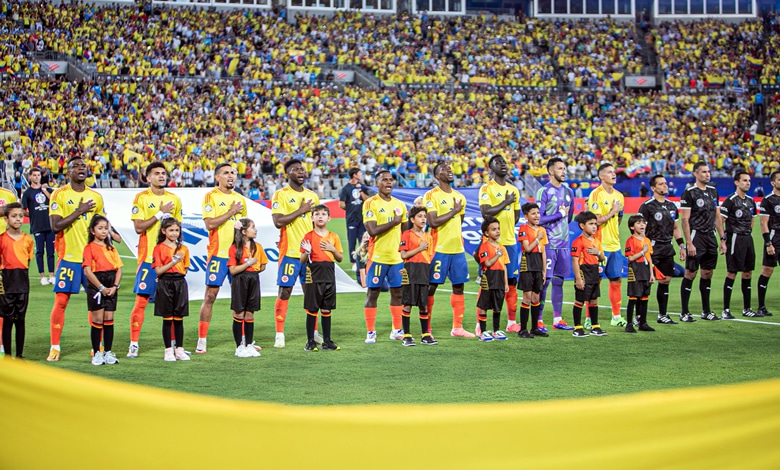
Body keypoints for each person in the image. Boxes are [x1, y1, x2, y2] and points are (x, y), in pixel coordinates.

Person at [46, 156, 106, 362]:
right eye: (76, 166)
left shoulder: (96, 197)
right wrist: (79, 211)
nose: (81, 169)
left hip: (93, 260)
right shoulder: (59, 194)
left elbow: (102, 226)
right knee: (61, 302)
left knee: (95, 304)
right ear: (68, 172)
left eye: (84, 166)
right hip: (69, 258)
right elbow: (55, 226)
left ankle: (97, 345)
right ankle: (55, 347)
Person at [127, 162, 182, 358]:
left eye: (163, 173)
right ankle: (134, 344)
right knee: (141, 302)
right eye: (156, 173)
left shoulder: (174, 199)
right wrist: (159, 212)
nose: (161, 176)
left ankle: (175, 346)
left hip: (171, 261)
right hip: (149, 259)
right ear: (147, 177)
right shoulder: (141, 198)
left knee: (174, 306)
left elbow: (178, 230)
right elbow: (139, 227)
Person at [195, 163, 246, 354]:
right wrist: (231, 212)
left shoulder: (240, 199)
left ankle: (243, 341)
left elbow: (243, 228)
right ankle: (202, 340)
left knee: (240, 299)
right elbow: (210, 224)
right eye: (226, 173)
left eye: (233, 172)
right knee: (210, 296)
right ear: (217, 177)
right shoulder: (211, 197)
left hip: (237, 256)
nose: (231, 176)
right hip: (218, 255)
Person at [271, 159, 320, 349]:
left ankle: (314, 332)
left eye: (302, 169)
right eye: (296, 169)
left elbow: (317, 223)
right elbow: (278, 221)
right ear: (288, 174)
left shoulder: (312, 196)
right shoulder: (281, 195)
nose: (301, 172)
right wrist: (301, 210)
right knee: (285, 291)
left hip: (310, 254)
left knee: (311, 293)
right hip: (290, 252)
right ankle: (279, 334)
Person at [423, 162, 474, 338]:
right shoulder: (431, 196)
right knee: (431, 287)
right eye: (444, 169)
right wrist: (454, 211)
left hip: (457, 249)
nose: (449, 170)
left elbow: (459, 222)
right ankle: (426, 327)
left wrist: (456, 212)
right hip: (438, 248)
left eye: (450, 168)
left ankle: (457, 328)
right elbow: (433, 222)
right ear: (437, 176)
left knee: (458, 286)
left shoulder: (460, 196)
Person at [362, 170, 408, 344]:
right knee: (372, 293)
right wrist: (394, 222)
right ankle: (371, 332)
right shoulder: (370, 203)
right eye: (384, 180)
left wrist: (405, 254)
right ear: (377, 183)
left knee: (398, 293)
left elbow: (405, 233)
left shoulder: (400, 205)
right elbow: (372, 230)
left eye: (391, 180)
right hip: (378, 257)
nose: (389, 183)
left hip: (396, 259)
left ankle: (396, 329)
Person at [478, 155, 521, 334]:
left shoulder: (513, 189)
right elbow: (486, 213)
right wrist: (506, 202)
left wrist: (508, 226)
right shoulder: (486, 188)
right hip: (492, 244)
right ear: (491, 168)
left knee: (511, 283)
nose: (502, 164)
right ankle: (480, 325)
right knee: (488, 284)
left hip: (510, 242)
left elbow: (516, 215)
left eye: (504, 162)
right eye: (498, 163)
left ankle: (511, 322)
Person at [679, 162, 725, 322]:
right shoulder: (689, 193)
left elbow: (717, 217)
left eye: (708, 172)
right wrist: (689, 243)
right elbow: (684, 220)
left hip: (710, 237)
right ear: (695, 174)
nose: (707, 174)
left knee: (707, 273)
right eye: (704, 172)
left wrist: (722, 238)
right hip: (696, 236)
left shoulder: (713, 192)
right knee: (690, 273)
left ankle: (706, 311)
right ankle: (684, 312)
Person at [638, 175, 686, 325]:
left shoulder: (672, 206)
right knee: (645, 282)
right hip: (651, 248)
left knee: (665, 280)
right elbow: (640, 228)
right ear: (653, 188)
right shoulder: (647, 206)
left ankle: (662, 315)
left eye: (665, 183)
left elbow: (676, 228)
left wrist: (681, 246)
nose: (665, 186)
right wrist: (642, 247)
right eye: (661, 184)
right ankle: (639, 316)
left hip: (667, 247)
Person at [536, 157, 575, 331]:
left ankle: (557, 319)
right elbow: (539, 218)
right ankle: (538, 319)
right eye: (560, 168)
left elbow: (570, 216)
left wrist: (562, 218)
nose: (563, 171)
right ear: (551, 171)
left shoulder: (569, 192)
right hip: (548, 243)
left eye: (564, 168)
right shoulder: (543, 191)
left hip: (564, 244)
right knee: (545, 281)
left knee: (559, 281)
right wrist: (559, 215)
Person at [587, 162, 626, 327]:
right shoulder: (596, 195)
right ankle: (589, 319)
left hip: (615, 245)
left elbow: (620, 219)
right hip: (599, 246)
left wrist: (614, 216)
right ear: (601, 176)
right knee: (595, 282)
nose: (613, 174)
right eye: (609, 172)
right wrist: (612, 212)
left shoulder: (619, 195)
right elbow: (595, 221)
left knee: (616, 279)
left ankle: (616, 316)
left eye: (614, 172)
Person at [300, 205, 342, 352]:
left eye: (323, 214)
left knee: (326, 309)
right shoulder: (308, 236)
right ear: (312, 218)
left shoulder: (334, 237)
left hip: (329, 274)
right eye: (317, 214)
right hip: (314, 274)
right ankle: (310, 341)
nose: (320, 216)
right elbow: (302, 260)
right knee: (312, 308)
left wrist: (333, 249)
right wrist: (307, 251)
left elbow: (340, 258)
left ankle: (327, 341)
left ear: (329, 218)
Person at [82, 215, 123, 366]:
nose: (104, 231)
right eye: (100, 228)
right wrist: (101, 287)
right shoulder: (89, 248)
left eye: (106, 228)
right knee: (97, 320)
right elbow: (87, 271)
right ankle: (96, 353)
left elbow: (119, 269)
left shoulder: (111, 248)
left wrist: (115, 287)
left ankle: (108, 352)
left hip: (111, 284)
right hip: (97, 285)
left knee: (109, 320)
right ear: (93, 230)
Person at [720, 171, 760, 319]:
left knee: (748, 272)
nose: (748, 183)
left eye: (749, 180)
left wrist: (748, 230)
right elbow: (721, 220)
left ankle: (747, 308)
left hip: (747, 238)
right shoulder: (730, 200)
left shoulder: (751, 201)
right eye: (744, 180)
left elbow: (752, 219)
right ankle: (726, 310)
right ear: (736, 182)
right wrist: (723, 240)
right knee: (732, 272)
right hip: (735, 238)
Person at [227, 218, 268, 358]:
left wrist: (253, 269)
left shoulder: (258, 247)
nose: (255, 230)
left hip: (253, 280)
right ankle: (239, 347)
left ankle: (249, 345)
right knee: (239, 313)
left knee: (250, 313)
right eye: (252, 227)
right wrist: (248, 264)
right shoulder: (234, 249)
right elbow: (232, 270)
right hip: (240, 280)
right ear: (244, 232)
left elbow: (262, 265)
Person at [153, 218, 191, 362]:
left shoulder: (184, 249)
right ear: (164, 231)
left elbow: (185, 269)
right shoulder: (158, 248)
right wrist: (173, 262)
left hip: (179, 283)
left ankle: (179, 349)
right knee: (168, 318)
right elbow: (158, 271)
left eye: (176, 230)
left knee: (179, 318)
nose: (174, 233)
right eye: (171, 230)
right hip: (165, 282)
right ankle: (168, 350)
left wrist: (177, 269)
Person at [399, 205, 436, 346]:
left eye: (425, 217)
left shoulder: (428, 237)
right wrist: (419, 248)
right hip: (411, 271)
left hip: (424, 271)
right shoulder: (407, 234)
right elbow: (404, 255)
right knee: (407, 303)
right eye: (420, 216)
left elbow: (429, 256)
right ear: (412, 219)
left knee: (423, 304)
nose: (423, 219)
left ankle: (425, 335)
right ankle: (407, 335)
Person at [0, 202, 34, 359]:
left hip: (22, 283)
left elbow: (28, 261)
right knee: (7, 319)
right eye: (14, 216)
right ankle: (7, 355)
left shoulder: (28, 239)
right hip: (6, 283)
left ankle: (19, 355)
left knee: (20, 319)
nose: (18, 219)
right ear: (6, 219)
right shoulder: (1, 240)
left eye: (20, 216)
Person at [570, 211, 608, 337]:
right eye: (591, 224)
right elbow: (575, 261)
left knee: (593, 299)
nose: (594, 227)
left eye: (595, 224)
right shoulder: (578, 241)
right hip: (583, 271)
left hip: (594, 271)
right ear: (582, 226)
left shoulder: (596, 241)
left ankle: (595, 326)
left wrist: (598, 253)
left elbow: (602, 258)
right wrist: (578, 279)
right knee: (580, 300)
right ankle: (577, 328)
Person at [475, 216, 509, 342]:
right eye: (494, 229)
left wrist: (506, 283)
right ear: (486, 233)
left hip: (499, 278)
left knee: (497, 306)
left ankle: (496, 330)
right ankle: (483, 332)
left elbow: (504, 266)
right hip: (489, 278)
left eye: (498, 229)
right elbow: (487, 263)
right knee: (484, 305)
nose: (497, 231)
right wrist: (497, 254)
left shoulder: (502, 247)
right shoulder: (484, 246)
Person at [517, 202, 548, 338]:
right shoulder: (523, 229)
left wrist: (544, 270)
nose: (536, 216)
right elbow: (528, 248)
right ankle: (523, 329)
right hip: (528, 264)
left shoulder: (542, 230)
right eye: (533, 213)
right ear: (526, 216)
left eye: (538, 213)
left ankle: (534, 328)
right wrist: (537, 239)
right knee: (527, 297)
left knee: (536, 297)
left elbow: (544, 251)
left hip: (538, 265)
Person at [21, 167, 55, 286]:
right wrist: (32, 214)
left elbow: (54, 202)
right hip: (37, 225)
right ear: (30, 177)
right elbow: (23, 209)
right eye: (34, 175)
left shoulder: (47, 189)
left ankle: (52, 275)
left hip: (49, 225)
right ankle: (42, 276)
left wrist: (45, 190)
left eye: (38, 175)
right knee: (40, 251)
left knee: (51, 251)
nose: (36, 177)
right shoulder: (28, 193)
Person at [624, 215, 656, 333]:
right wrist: (642, 252)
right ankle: (629, 324)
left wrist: (652, 274)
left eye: (643, 222)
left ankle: (643, 322)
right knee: (633, 297)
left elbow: (650, 257)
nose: (642, 225)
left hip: (646, 270)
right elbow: (630, 258)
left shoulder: (647, 240)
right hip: (636, 269)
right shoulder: (630, 241)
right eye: (638, 223)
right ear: (632, 227)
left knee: (644, 297)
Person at [757, 170, 780, 317]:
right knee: (767, 271)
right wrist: (768, 243)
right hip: (774, 238)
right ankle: (761, 306)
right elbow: (763, 224)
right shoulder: (768, 200)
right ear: (773, 182)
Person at [339, 168, 370, 273]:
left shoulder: (363, 187)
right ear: (354, 175)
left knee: (364, 241)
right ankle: (353, 263)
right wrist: (351, 208)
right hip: (351, 219)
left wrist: (360, 190)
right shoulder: (346, 188)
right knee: (352, 241)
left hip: (363, 218)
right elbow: (341, 204)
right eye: (359, 173)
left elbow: (367, 200)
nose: (361, 174)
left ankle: (363, 260)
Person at [0, 181, 18, 354]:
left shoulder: (7, 194)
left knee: (4, 298)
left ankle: (1, 342)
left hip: (6, 251)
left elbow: (16, 213)